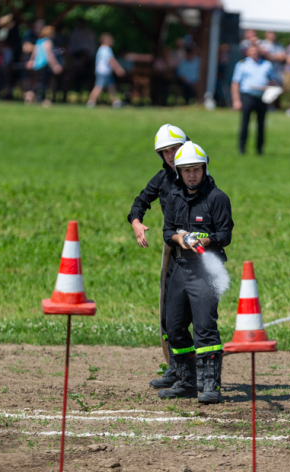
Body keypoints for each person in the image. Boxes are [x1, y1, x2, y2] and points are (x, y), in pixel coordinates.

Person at [161, 141, 234, 403]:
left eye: (196, 169)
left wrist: (206, 241)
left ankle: (211, 385)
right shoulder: (173, 197)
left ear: (204, 169)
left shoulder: (217, 198)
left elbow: (225, 235)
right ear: (179, 172)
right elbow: (167, 231)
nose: (191, 175)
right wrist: (179, 239)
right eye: (186, 170)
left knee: (205, 328)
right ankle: (185, 381)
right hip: (180, 269)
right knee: (175, 326)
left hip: (206, 272)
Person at [128, 124, 196, 390]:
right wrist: (136, 221)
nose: (169, 156)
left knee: (190, 314)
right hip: (172, 250)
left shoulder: (196, 176)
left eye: (174, 149)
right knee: (168, 313)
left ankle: (194, 373)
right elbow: (141, 200)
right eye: (164, 152)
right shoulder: (163, 178)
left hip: (195, 250)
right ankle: (175, 369)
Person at [231, 43, 279, 155]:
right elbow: (235, 83)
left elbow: (273, 80)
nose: (254, 53)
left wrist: (270, 86)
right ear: (248, 52)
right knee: (245, 123)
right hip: (248, 95)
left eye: (256, 51)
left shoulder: (267, 64)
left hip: (262, 96)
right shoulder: (242, 64)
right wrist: (236, 100)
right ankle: (242, 149)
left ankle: (259, 149)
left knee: (261, 124)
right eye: (252, 51)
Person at [26, 25, 63, 106]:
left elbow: (34, 53)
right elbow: (49, 54)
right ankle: (36, 97)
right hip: (43, 64)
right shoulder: (48, 41)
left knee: (39, 82)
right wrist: (55, 65)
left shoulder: (39, 41)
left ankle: (32, 96)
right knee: (43, 83)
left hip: (36, 65)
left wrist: (31, 61)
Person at [86, 33, 125, 108]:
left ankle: (115, 102)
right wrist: (118, 69)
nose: (112, 41)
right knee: (99, 86)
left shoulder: (101, 49)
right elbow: (111, 60)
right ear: (106, 40)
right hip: (103, 71)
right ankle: (91, 102)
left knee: (111, 86)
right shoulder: (106, 49)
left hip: (104, 71)